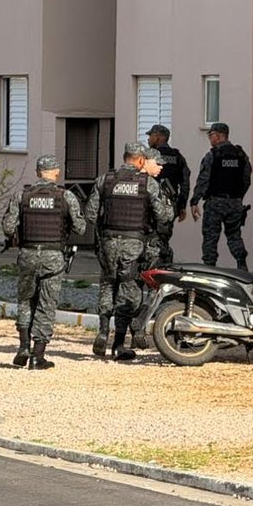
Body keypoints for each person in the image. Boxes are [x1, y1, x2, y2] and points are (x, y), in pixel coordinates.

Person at [85, 142, 173, 361]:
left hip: (107, 242)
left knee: (107, 285)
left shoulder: (104, 180)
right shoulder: (147, 184)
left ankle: (103, 331)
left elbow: (90, 214)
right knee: (129, 290)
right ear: (141, 160)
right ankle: (119, 344)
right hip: (134, 243)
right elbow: (164, 216)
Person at [2, 155, 86, 370]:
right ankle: (38, 356)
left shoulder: (22, 195)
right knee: (46, 305)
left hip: (28, 255)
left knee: (25, 301)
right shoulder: (65, 196)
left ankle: (22, 347)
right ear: (56, 172)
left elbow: (8, 227)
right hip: (53, 258)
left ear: (38, 172)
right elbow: (80, 228)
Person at [189, 123, 252, 270]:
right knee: (234, 236)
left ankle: (209, 270)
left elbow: (203, 180)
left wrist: (194, 201)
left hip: (215, 203)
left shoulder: (213, 155)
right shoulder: (241, 155)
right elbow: (246, 180)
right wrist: (237, 197)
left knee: (210, 238)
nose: (210, 139)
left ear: (217, 136)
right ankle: (242, 267)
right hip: (235, 203)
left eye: (211, 135)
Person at [128, 146, 169, 349]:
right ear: (145, 161)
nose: (161, 166)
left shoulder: (122, 182)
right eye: (157, 162)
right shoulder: (151, 185)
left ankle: (129, 331)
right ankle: (139, 326)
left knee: (132, 287)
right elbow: (164, 216)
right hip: (150, 243)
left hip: (127, 243)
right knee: (156, 286)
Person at [146, 124, 190, 265]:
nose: (148, 139)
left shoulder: (149, 156)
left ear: (158, 137)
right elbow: (185, 183)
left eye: (151, 136)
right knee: (164, 238)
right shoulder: (177, 157)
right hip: (170, 205)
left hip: (149, 204)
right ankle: (165, 266)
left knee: (149, 238)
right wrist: (182, 206)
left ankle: (152, 268)